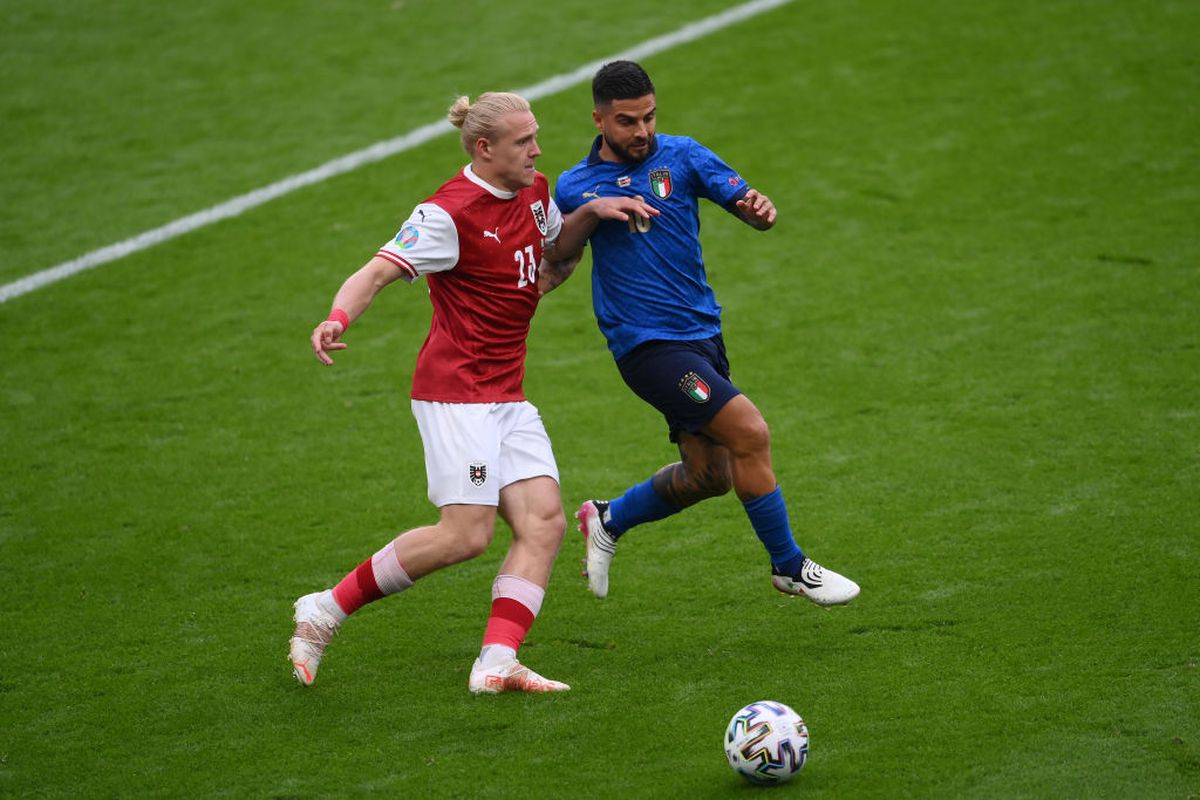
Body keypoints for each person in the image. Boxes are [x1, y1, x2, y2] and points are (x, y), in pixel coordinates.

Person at [290, 91, 656, 693]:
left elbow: (548, 267)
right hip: (456, 394)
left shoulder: (536, 193)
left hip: (506, 392)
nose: (537, 151)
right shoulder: (447, 213)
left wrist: (593, 213)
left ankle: (495, 664)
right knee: (466, 534)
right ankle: (325, 608)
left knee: (543, 523)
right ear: (484, 148)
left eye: (536, 137)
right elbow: (378, 270)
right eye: (523, 142)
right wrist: (338, 318)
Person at [545, 61, 860, 606]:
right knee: (750, 432)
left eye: (648, 117)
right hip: (646, 346)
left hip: (702, 335)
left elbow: (747, 204)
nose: (641, 131)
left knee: (710, 474)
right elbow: (557, 254)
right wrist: (594, 209)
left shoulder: (683, 154)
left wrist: (759, 211)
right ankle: (788, 566)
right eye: (626, 121)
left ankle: (608, 517)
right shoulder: (574, 186)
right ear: (598, 119)